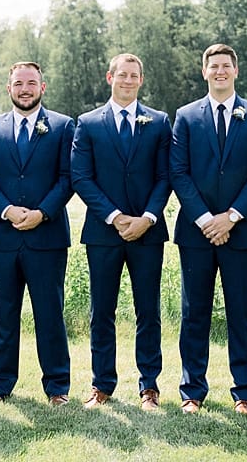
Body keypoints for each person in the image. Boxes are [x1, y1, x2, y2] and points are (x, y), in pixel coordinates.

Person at [170, 44, 247, 415]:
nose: (220, 72)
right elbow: (178, 172)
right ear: (204, 72)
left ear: (236, 70)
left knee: (241, 313)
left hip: (241, 231)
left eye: (226, 66)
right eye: (213, 66)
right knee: (193, 312)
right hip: (195, 232)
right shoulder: (185, 116)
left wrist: (231, 217)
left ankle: (244, 391)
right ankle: (192, 391)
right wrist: (205, 219)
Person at [71, 53, 171, 410]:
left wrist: (146, 217)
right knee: (102, 311)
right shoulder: (88, 123)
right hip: (103, 232)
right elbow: (81, 177)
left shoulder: (159, 122)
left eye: (134, 76)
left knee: (148, 311)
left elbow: (165, 177)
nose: (127, 81)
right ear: (109, 76)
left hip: (147, 232)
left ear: (141, 80)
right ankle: (102, 385)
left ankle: (150, 386)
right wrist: (115, 217)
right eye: (122, 75)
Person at [0, 62, 74, 407]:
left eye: (32, 83)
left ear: (42, 87)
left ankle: (57, 386)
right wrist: (8, 210)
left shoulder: (62, 126)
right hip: (4, 235)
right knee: (5, 313)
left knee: (50, 313)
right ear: (9, 88)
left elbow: (67, 177)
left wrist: (41, 213)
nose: (25, 89)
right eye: (19, 83)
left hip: (47, 236)